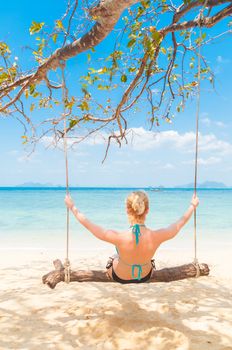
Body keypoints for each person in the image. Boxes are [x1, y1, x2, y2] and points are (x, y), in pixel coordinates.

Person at [65, 191, 199, 284]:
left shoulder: (118, 237)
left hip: (119, 276)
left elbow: (88, 225)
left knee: (114, 256)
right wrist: (192, 206)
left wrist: (72, 207)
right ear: (147, 210)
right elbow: (178, 225)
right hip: (145, 276)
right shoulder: (157, 236)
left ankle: (116, 258)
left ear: (127, 210)